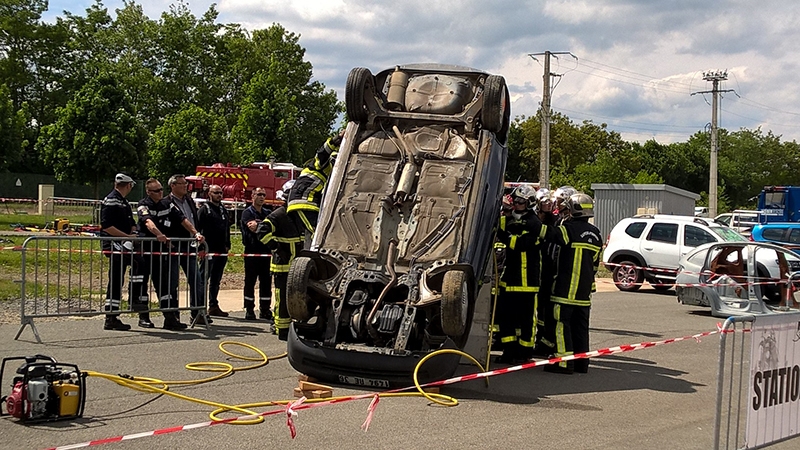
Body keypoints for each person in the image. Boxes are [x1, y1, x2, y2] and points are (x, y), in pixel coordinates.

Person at [543, 193, 603, 375]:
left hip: (565, 291)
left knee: (562, 325)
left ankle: (563, 363)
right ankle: (581, 363)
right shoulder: (596, 234)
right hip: (583, 295)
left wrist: (535, 219)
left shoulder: (568, 230)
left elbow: (547, 234)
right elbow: (593, 266)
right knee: (581, 329)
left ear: (573, 210)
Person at [137, 178, 200, 330]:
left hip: (162, 252)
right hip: (145, 251)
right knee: (142, 285)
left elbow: (182, 219)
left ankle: (169, 318)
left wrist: (195, 232)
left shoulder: (167, 204)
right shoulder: (143, 204)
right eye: (156, 191)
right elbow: (147, 222)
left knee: (164, 286)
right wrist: (159, 234)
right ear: (148, 192)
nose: (160, 193)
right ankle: (143, 316)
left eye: (161, 190)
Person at [494, 185, 547, 363]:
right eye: (514, 201)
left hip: (527, 282)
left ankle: (525, 354)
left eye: (520, 202)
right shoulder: (511, 220)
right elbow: (498, 229)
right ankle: (509, 352)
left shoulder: (534, 223)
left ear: (530, 203)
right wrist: (504, 216)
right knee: (507, 318)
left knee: (526, 322)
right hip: (509, 280)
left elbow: (520, 244)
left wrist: (504, 234)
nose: (516, 204)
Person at [100, 173, 148, 331]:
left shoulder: (122, 201)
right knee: (117, 278)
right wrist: (127, 236)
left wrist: (133, 231)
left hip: (124, 244)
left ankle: (130, 302)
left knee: (138, 264)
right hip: (114, 245)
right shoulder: (112, 200)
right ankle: (114, 315)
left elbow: (130, 222)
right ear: (128, 185)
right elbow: (107, 226)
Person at [257, 180, 304, 340]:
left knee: (296, 297)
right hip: (282, 267)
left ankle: (292, 326)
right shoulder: (278, 214)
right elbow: (261, 231)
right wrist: (276, 247)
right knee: (282, 298)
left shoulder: (298, 215)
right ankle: (281, 329)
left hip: (298, 267)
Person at [166, 174, 208, 325]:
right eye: (182, 184)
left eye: (185, 183)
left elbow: (194, 221)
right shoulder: (167, 202)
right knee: (173, 282)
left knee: (196, 281)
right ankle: (173, 315)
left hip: (190, 245)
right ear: (173, 186)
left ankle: (197, 313)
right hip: (175, 246)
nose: (185, 186)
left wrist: (200, 242)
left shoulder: (189, 200)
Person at [287, 131, 343, 235]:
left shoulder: (328, 176)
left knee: (323, 232)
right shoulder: (321, 164)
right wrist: (337, 139)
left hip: (311, 203)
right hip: (303, 202)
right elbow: (322, 153)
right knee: (320, 234)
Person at [197, 184, 230, 317]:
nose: (219, 195)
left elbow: (227, 227)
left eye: (221, 193)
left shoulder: (223, 209)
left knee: (216, 280)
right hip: (208, 250)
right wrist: (200, 248)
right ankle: (200, 307)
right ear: (209, 194)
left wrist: (228, 244)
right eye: (216, 193)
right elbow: (197, 229)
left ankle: (213, 305)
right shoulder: (204, 210)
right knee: (203, 279)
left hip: (221, 250)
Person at [241, 186, 273, 320]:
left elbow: (271, 229)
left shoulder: (267, 212)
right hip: (252, 251)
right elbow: (253, 229)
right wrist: (264, 227)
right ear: (252, 196)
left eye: (264, 195)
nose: (262, 197)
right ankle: (249, 309)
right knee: (250, 281)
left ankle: (265, 309)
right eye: (259, 194)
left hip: (265, 252)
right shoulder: (247, 213)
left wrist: (260, 225)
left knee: (266, 282)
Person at [533, 188, 557, 357]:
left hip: (549, 272)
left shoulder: (554, 222)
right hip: (534, 270)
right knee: (537, 309)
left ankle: (544, 341)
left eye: (550, 202)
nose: (548, 205)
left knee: (546, 310)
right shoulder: (534, 220)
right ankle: (539, 339)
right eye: (544, 202)